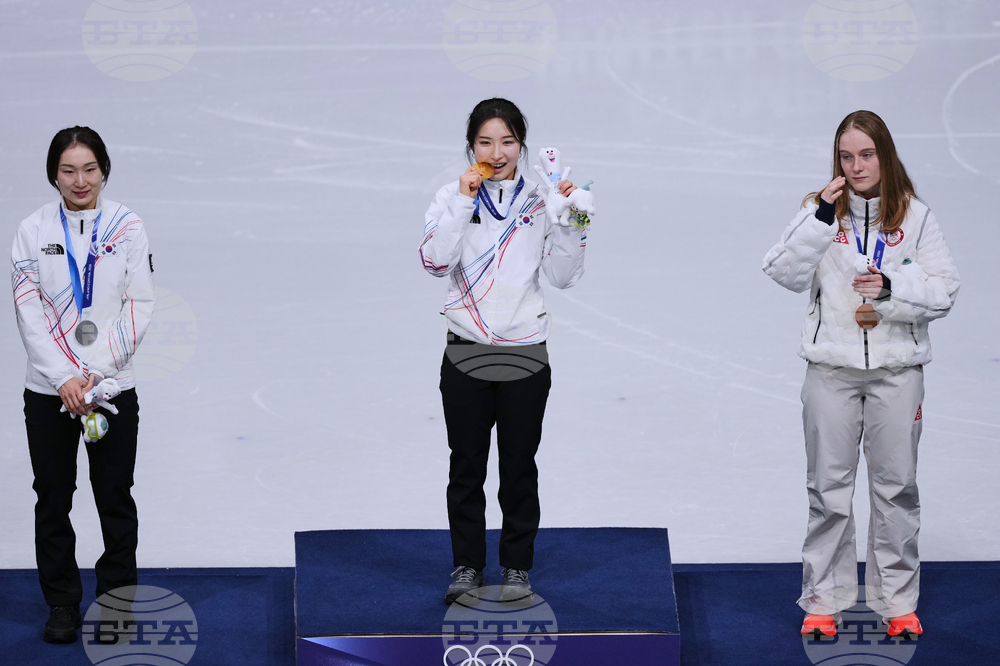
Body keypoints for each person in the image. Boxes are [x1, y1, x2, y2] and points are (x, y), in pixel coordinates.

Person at [763, 110, 960, 638]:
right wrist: (822, 220)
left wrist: (893, 295)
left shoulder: (915, 217)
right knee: (827, 490)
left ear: (885, 155)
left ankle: (896, 602)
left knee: (896, 489)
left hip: (898, 373)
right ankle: (824, 600)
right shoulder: (818, 211)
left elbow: (944, 293)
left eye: (866, 155)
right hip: (831, 371)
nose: (855, 166)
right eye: (846, 156)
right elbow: (782, 271)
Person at [419, 98, 592, 604]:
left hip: (524, 355)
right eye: (486, 142)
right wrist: (461, 202)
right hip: (466, 353)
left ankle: (516, 567)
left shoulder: (541, 202)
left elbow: (563, 277)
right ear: (470, 145)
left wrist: (571, 222)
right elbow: (433, 262)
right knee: (466, 466)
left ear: (523, 145)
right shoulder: (450, 198)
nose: (497, 153)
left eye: (508, 142)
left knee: (519, 468)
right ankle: (467, 566)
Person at [11, 126, 155, 643]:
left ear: (104, 169)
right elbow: (28, 312)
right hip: (50, 393)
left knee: (114, 495)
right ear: (54, 173)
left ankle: (117, 605)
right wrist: (65, 377)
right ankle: (62, 605)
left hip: (111, 390)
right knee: (53, 497)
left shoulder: (127, 226)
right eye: (69, 170)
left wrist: (96, 372)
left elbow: (140, 304)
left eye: (89, 169)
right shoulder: (31, 230)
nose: (79, 180)